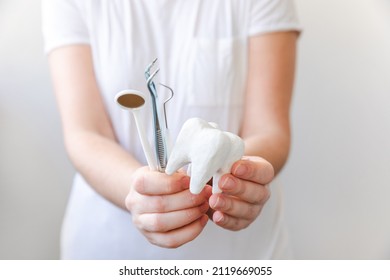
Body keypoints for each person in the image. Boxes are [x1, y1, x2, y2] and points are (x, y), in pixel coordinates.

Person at [42, 0, 300, 259]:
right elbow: (85, 133)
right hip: (108, 247)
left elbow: (270, 130)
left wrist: (231, 177)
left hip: (242, 254)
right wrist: (137, 192)